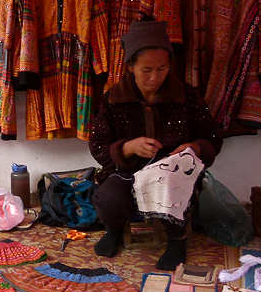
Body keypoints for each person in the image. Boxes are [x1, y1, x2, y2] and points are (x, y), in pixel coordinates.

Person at [88, 20, 223, 269]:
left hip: (173, 174)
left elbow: (213, 137)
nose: (155, 77)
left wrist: (194, 147)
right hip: (127, 173)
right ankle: (114, 231)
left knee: (173, 187)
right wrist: (127, 148)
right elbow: (97, 144)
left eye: (162, 69)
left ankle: (176, 240)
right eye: (146, 70)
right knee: (108, 197)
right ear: (131, 67)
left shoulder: (186, 96)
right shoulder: (114, 99)